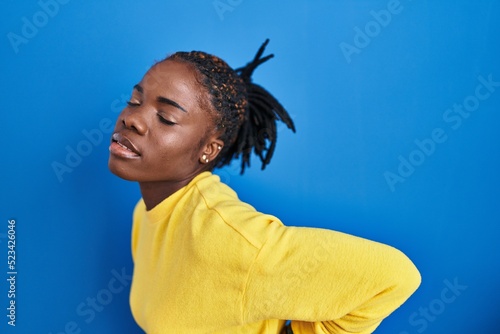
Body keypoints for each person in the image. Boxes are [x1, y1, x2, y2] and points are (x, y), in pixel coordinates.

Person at [108, 40, 421, 334]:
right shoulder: (147, 213)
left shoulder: (225, 237)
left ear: (209, 150)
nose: (132, 119)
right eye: (135, 100)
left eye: (166, 117)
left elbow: (394, 276)